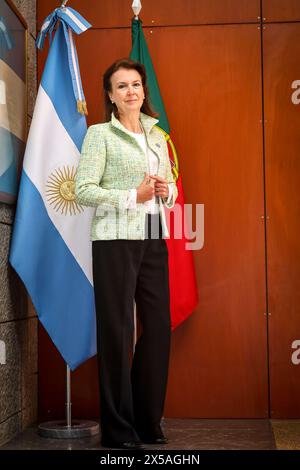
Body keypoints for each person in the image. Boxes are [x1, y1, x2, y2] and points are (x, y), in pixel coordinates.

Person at [75, 58, 178, 450]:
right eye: (121, 86)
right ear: (111, 96)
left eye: (136, 84)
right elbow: (84, 189)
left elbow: (167, 188)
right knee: (118, 333)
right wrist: (131, 196)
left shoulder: (157, 136)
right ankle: (118, 431)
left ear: (143, 91)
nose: (131, 91)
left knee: (157, 330)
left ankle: (147, 421)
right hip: (115, 238)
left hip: (154, 235)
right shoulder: (99, 135)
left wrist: (165, 194)